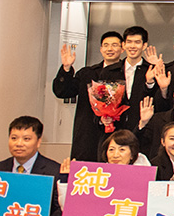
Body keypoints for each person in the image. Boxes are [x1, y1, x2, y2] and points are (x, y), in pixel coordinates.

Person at [52, 30, 126, 162]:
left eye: (114, 45)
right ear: (101, 49)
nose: (110, 49)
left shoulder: (126, 74)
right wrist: (66, 68)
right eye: (106, 45)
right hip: (87, 135)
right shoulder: (87, 73)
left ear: (122, 48)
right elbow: (62, 92)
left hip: (116, 134)